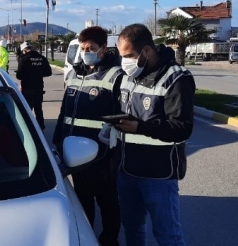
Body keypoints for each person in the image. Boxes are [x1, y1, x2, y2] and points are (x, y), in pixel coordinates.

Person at [113, 24, 195, 246]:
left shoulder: (176, 78)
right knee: (132, 230)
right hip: (126, 169)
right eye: (122, 56)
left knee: (167, 235)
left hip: (159, 174)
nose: (125, 62)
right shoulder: (128, 77)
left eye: (129, 55)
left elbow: (182, 127)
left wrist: (141, 127)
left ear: (146, 51)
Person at [52, 26, 122, 246]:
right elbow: (65, 112)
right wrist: (57, 142)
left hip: (102, 154)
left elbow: (122, 114)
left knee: (108, 202)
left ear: (103, 49)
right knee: (82, 203)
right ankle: (87, 239)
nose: (85, 51)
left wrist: (113, 147)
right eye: (82, 48)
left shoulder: (115, 75)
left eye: (90, 48)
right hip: (75, 153)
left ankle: (110, 241)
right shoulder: (74, 73)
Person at [16, 41, 52, 130]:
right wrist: (38, 73)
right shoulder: (42, 58)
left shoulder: (24, 59)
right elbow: (48, 72)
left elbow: (19, 75)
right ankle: (41, 127)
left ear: (24, 51)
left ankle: (28, 128)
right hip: (39, 87)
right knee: (38, 109)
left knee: (27, 109)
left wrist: (28, 74)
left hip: (27, 88)